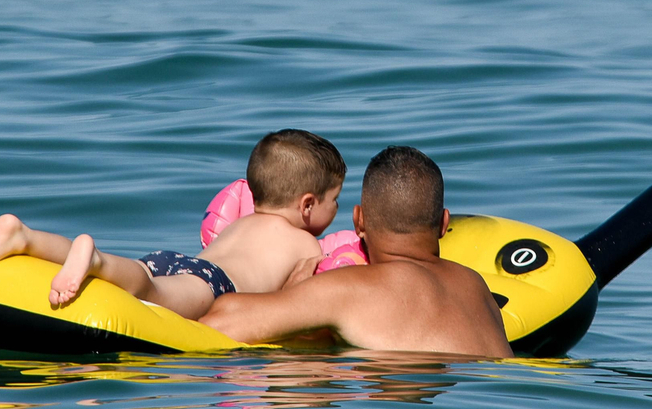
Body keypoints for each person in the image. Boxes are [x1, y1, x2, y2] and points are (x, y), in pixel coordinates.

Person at [0, 129, 345, 320]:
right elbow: (299, 301)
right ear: (307, 205)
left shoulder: (241, 225)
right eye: (335, 200)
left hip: (175, 260)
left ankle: (23, 236)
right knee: (149, 291)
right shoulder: (305, 245)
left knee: (143, 275)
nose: (337, 209)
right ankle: (93, 261)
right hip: (214, 285)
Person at [200, 146, 513, 358]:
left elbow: (224, 321)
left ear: (358, 221)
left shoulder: (351, 288)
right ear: (444, 223)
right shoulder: (475, 285)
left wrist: (291, 292)